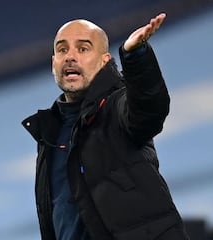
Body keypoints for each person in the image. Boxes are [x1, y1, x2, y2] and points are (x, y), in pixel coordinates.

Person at [22, 13, 189, 240]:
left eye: (83, 49)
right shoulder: (49, 135)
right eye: (62, 50)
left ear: (104, 61)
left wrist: (136, 57)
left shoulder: (117, 106)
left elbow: (149, 108)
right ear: (54, 64)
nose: (70, 57)